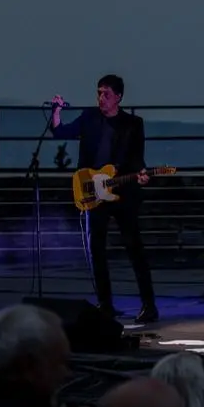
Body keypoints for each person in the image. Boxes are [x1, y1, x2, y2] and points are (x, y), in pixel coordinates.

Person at [50, 74, 158, 324]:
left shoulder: (133, 124)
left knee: (134, 248)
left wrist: (140, 175)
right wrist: (56, 111)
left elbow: (137, 158)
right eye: (99, 93)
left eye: (106, 94)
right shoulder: (89, 118)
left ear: (118, 97)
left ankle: (149, 305)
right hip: (92, 193)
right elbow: (60, 132)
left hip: (122, 192)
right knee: (96, 250)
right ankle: (105, 305)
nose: (101, 98)